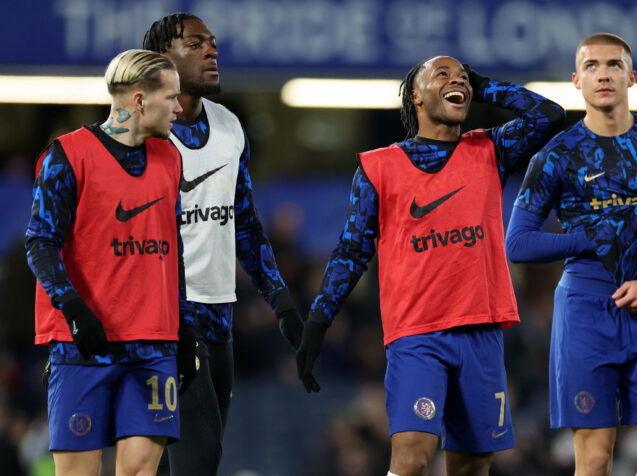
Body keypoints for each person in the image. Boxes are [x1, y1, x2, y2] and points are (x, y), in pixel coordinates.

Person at [296, 56, 565, 475]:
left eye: (463, 77)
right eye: (443, 74)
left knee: (473, 465)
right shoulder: (378, 167)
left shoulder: (490, 150)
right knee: (412, 458)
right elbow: (351, 251)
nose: (458, 80)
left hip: (481, 331)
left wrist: (484, 86)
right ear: (416, 95)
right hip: (417, 335)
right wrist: (318, 322)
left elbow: (550, 114)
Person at [506, 33, 637, 476]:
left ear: (631, 77)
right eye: (592, 66)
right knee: (595, 460)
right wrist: (592, 240)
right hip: (585, 315)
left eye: (614, 65)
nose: (603, 74)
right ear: (576, 80)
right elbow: (517, 243)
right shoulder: (556, 155)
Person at [142, 13, 306, 476]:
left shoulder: (231, 127)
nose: (211, 51)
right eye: (195, 45)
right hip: (164, 322)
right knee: (194, 460)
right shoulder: (140, 135)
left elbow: (245, 224)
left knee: (192, 460)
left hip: (219, 319)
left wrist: (281, 303)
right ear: (162, 59)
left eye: (212, 43)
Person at [25, 49, 197, 476]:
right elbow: (40, 243)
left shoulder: (171, 158)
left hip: (153, 346)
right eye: (171, 97)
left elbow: (172, 246)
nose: (179, 108)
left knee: (139, 471)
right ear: (139, 100)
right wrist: (74, 309)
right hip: (84, 344)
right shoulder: (67, 156)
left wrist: (184, 326)